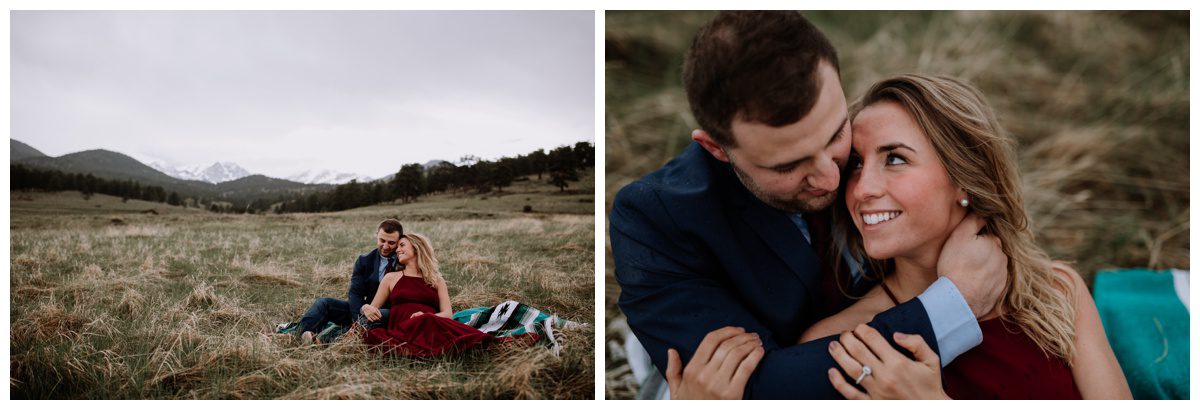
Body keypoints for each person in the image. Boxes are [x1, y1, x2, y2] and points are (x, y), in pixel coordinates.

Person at [609, 11, 1009, 399]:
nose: (832, 180)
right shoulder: (654, 217)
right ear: (717, 149)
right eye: (789, 165)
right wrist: (954, 304)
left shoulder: (873, 146)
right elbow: (761, 392)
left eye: (836, 135)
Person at [794, 74, 1131, 399]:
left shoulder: (1056, 292)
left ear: (964, 179)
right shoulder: (844, 343)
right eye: (855, 163)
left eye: (895, 159)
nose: (862, 188)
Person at [363, 233, 505, 355]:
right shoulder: (391, 278)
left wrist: (426, 316)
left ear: (417, 248)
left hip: (430, 326)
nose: (397, 250)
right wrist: (365, 307)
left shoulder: (436, 280)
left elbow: (447, 314)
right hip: (403, 328)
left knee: (471, 338)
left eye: (402, 245)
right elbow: (373, 309)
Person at [294, 219, 404, 343]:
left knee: (368, 320)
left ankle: (322, 341)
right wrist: (359, 316)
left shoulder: (404, 260)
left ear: (399, 242)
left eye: (391, 243)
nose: (385, 246)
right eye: (382, 240)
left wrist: (361, 322)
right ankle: (298, 335)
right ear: (376, 235)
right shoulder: (365, 260)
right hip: (364, 309)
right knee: (324, 303)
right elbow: (355, 293)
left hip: (389, 313)